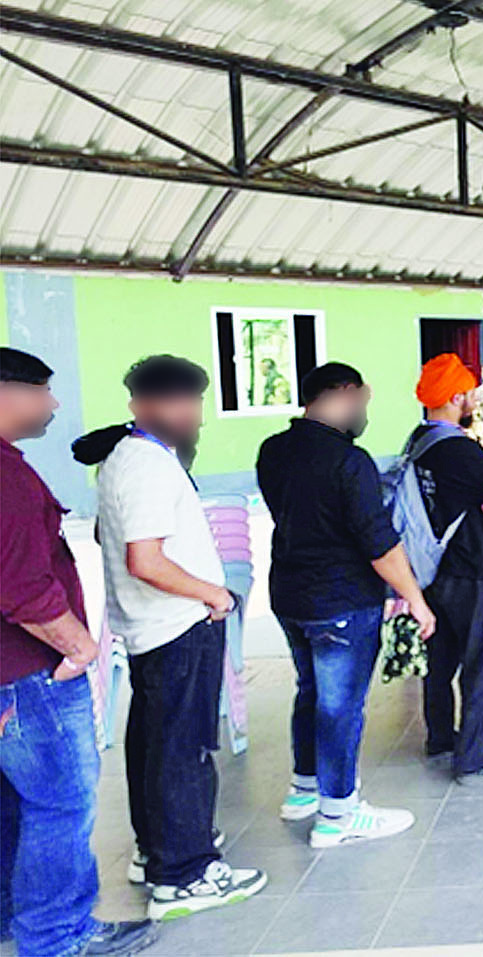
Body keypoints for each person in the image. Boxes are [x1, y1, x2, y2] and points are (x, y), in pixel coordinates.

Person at [74, 355, 267, 918]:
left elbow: (120, 541)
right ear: (148, 406)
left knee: (156, 746)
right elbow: (145, 560)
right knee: (183, 753)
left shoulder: (128, 457)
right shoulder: (147, 466)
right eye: (189, 405)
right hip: (175, 628)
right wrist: (214, 595)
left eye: (196, 403)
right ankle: (184, 875)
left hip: (156, 629)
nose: (196, 417)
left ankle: (158, 850)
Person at [1, 347, 157, 957]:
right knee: (60, 804)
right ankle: (57, 936)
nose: (54, 403)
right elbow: (21, 586)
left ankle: (17, 918)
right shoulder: (7, 478)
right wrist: (79, 647)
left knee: (18, 802)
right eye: (43, 389)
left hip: (11, 676)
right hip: (30, 675)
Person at [256, 361, 437, 847]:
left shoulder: (273, 450)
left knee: (311, 692)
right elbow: (378, 542)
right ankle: (338, 814)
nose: (364, 413)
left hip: (290, 594)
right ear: (343, 393)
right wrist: (415, 599)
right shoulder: (349, 461)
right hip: (341, 600)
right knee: (340, 706)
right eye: (362, 402)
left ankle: (304, 790)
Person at [407, 354, 483, 780]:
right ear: (456, 397)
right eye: (470, 393)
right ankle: (475, 756)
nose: (474, 400)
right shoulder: (460, 448)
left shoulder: (418, 442)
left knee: (440, 661)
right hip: (475, 568)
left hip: (432, 568)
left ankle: (441, 739)